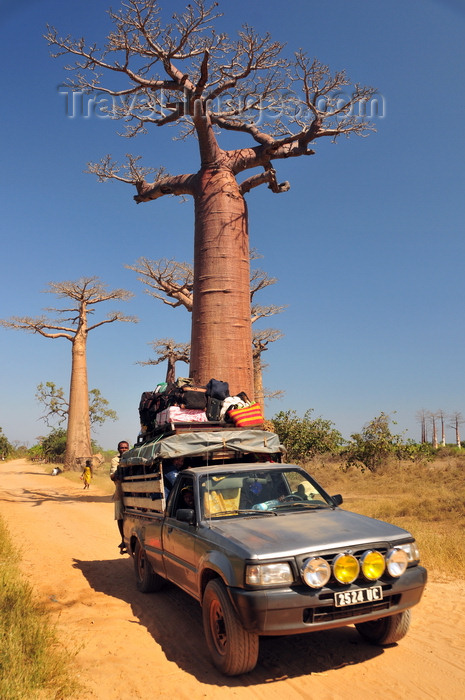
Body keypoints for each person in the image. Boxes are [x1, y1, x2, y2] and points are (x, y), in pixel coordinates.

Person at [110, 440, 130, 554]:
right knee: (120, 515)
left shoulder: (132, 457)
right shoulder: (115, 460)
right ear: (118, 449)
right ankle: (123, 539)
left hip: (132, 490)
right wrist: (118, 472)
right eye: (122, 448)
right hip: (120, 491)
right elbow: (112, 476)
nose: (124, 449)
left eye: (125, 448)